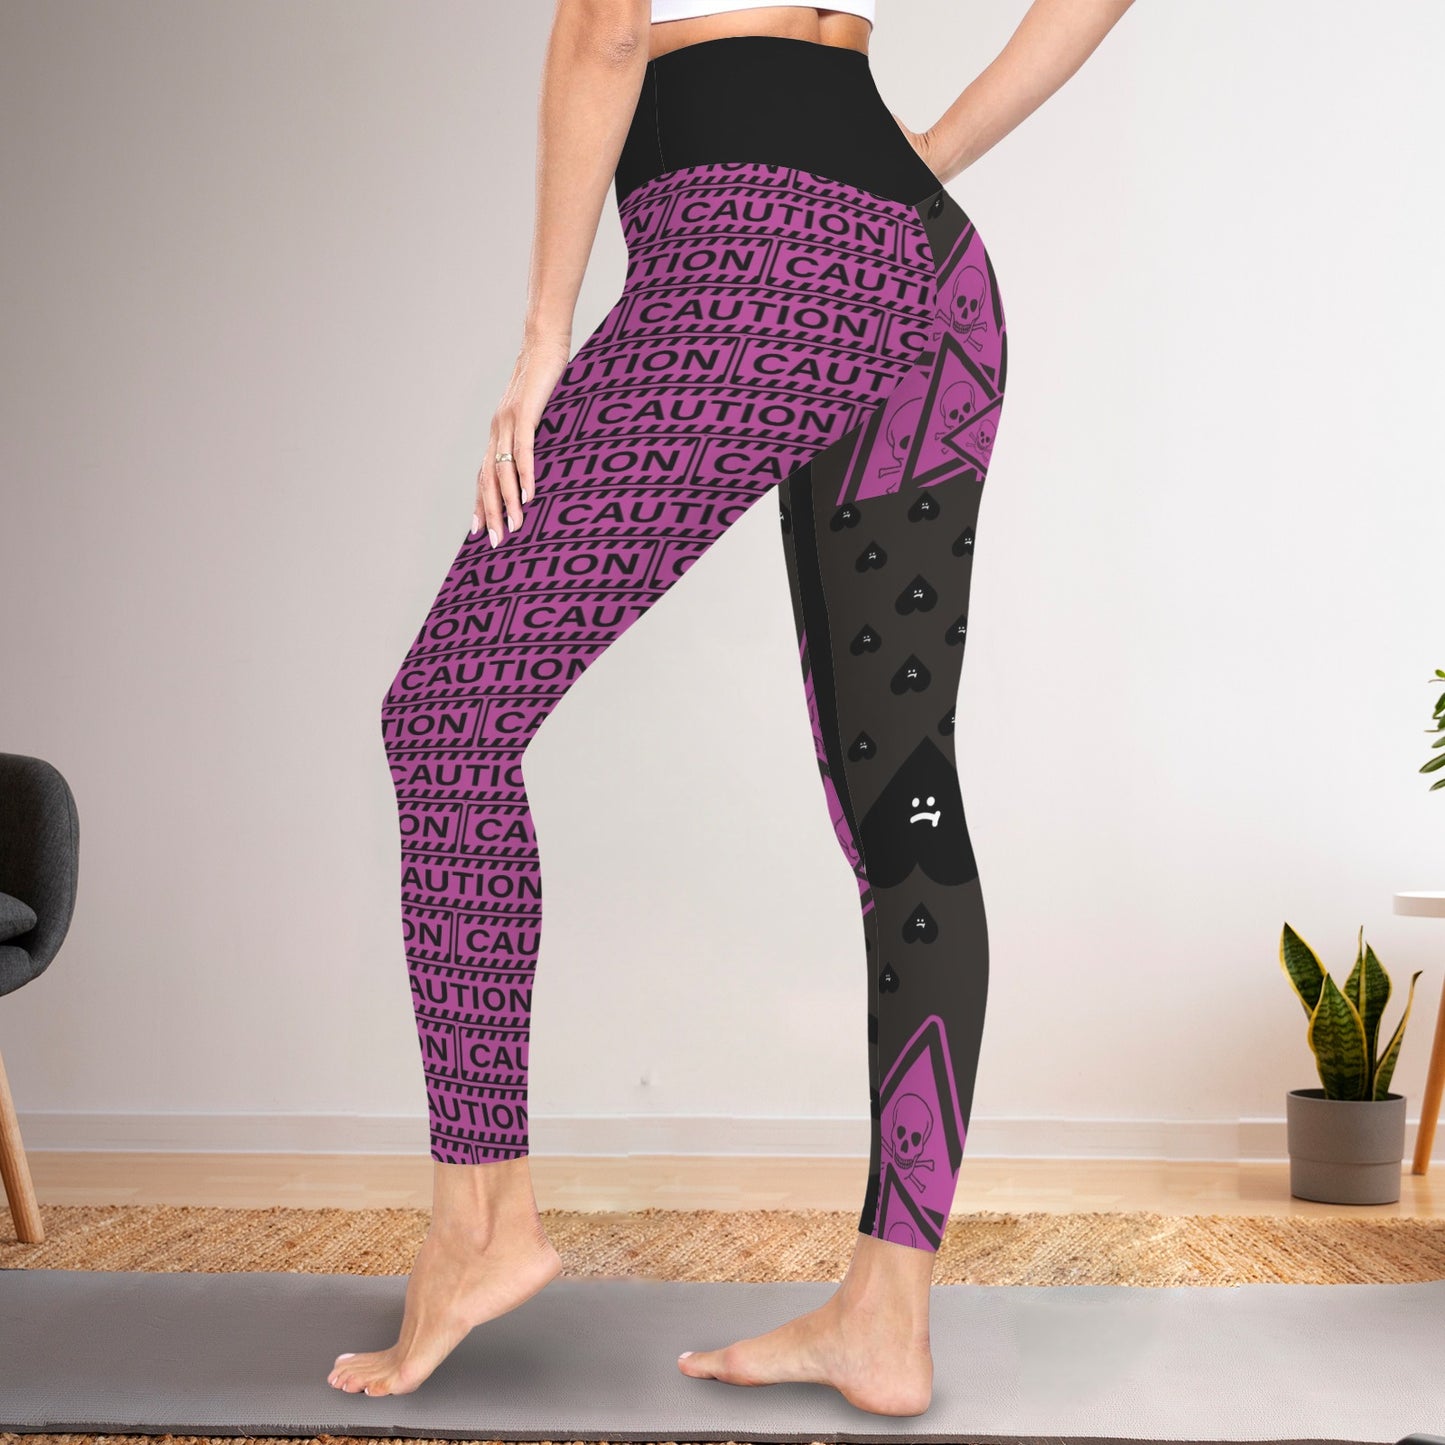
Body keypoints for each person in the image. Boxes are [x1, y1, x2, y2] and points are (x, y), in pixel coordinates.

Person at [330, 0, 1133, 1416]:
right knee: (903, 794)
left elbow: (604, 27)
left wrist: (542, 335)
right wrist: (930, 154)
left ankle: (482, 1222)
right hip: (923, 263)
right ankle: (886, 1318)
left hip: (749, 254)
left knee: (446, 717)